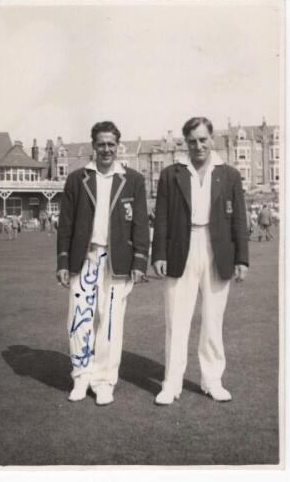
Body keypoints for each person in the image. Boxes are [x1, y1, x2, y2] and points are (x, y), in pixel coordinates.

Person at [152, 117, 249, 405]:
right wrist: (159, 254)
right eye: (192, 140)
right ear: (185, 142)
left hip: (217, 250)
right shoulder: (172, 174)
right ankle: (171, 384)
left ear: (212, 139)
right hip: (181, 248)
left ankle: (212, 380)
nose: (198, 145)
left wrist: (242, 258)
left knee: (212, 319)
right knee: (176, 320)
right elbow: (162, 217)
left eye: (203, 139)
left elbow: (240, 219)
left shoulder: (229, 174)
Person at [57, 121, 149, 406]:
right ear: (93, 146)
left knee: (109, 323)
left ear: (117, 146)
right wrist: (62, 261)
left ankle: (104, 381)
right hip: (84, 259)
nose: (106, 149)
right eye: (101, 144)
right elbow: (66, 224)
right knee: (79, 321)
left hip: (117, 260)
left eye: (111, 144)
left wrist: (139, 261)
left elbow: (141, 224)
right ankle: (81, 377)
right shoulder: (77, 179)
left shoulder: (133, 179)